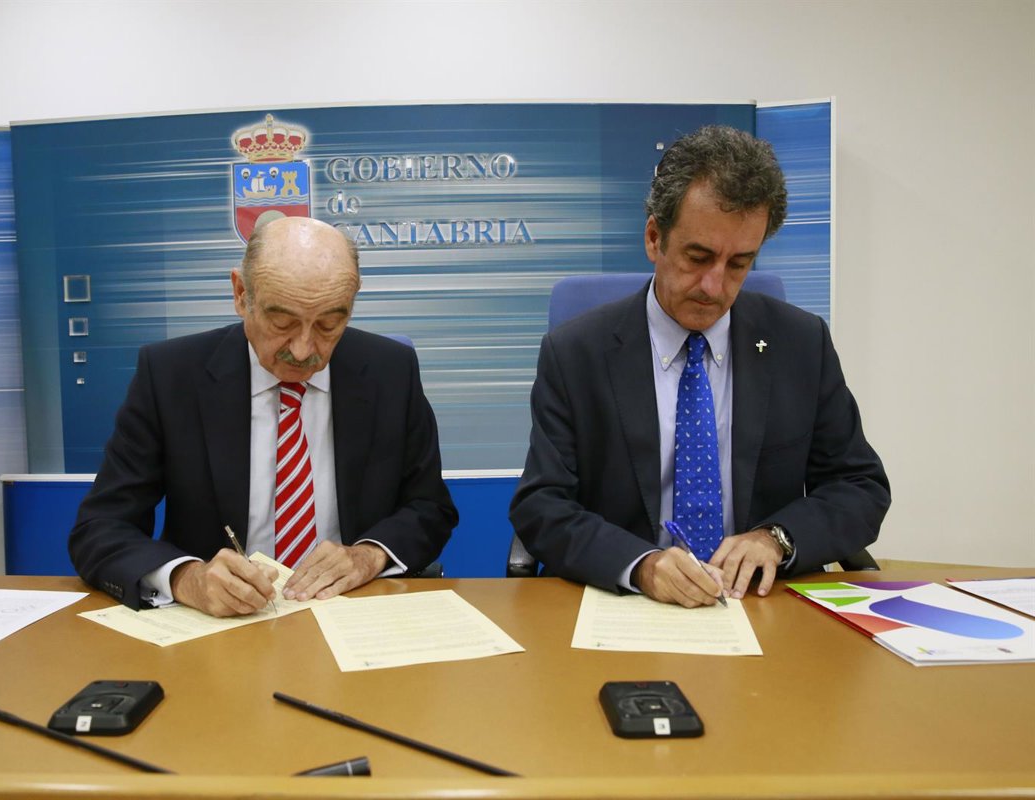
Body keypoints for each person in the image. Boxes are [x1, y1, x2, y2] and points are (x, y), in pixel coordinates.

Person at [509, 125, 889, 608]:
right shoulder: (576, 353)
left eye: (739, 264)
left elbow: (859, 487)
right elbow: (542, 507)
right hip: (629, 605)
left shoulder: (800, 343)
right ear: (654, 238)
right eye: (698, 257)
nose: (714, 286)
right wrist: (641, 565)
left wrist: (776, 538)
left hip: (761, 603)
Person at [70, 216, 457, 616]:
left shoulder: (390, 371)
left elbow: (430, 508)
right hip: (216, 626)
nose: (304, 350)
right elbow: (100, 528)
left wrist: (368, 556)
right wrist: (188, 578)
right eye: (282, 322)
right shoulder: (171, 376)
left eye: (329, 324)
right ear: (241, 294)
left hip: (351, 615)